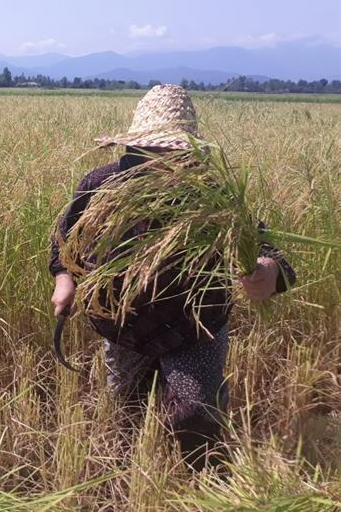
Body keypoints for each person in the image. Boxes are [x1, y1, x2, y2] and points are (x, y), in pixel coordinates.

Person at [49, 84, 296, 469]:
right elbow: (66, 242)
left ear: (190, 152)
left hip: (194, 325)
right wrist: (65, 279)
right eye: (151, 151)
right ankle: (137, 478)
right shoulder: (101, 185)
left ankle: (206, 475)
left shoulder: (213, 193)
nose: (162, 161)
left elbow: (264, 247)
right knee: (128, 414)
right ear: (134, 147)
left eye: (173, 152)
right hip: (124, 323)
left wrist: (268, 270)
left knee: (193, 418)